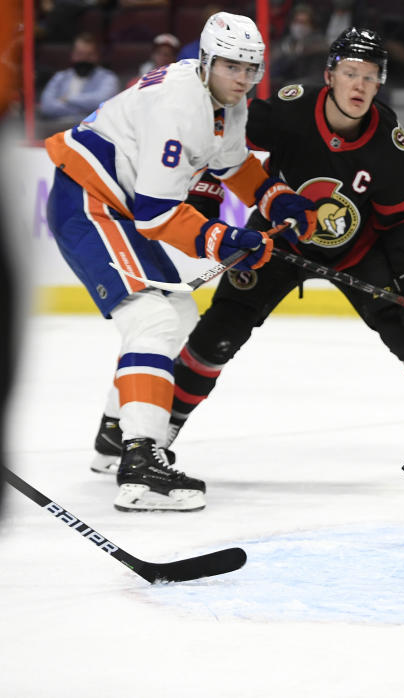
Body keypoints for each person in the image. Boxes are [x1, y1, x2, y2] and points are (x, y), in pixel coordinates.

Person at [167, 28, 404, 454]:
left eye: (370, 76)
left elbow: (401, 220)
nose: (359, 85)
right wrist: (205, 187)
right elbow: (222, 133)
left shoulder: (388, 141)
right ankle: (161, 429)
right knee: (218, 333)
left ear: (380, 83)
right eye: (350, 73)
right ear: (330, 75)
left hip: (358, 251)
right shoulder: (292, 109)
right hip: (278, 240)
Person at [45, 12, 319, 512]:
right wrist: (226, 240)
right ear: (208, 61)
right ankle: (141, 464)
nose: (242, 78)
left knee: (178, 315)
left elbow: (233, 165)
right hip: (91, 204)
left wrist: (279, 201)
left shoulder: (223, 99)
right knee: (150, 318)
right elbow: (155, 215)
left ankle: (116, 435)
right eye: (232, 66)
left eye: (251, 68)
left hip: (114, 206)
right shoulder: (179, 105)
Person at [38, 32, 120, 133]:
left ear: (97, 56)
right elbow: (47, 106)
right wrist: (85, 111)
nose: (84, 59)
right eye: (80, 54)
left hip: (92, 131)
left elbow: (103, 102)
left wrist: (67, 99)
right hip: (57, 130)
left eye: (89, 55)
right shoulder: (60, 77)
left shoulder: (108, 78)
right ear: (72, 55)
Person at [270, 4, 329, 86]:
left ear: (312, 26)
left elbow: (317, 79)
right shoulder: (285, 44)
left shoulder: (320, 47)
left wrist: (290, 85)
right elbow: (273, 72)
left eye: (303, 23)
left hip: (308, 91)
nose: (299, 26)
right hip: (285, 90)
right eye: (296, 21)